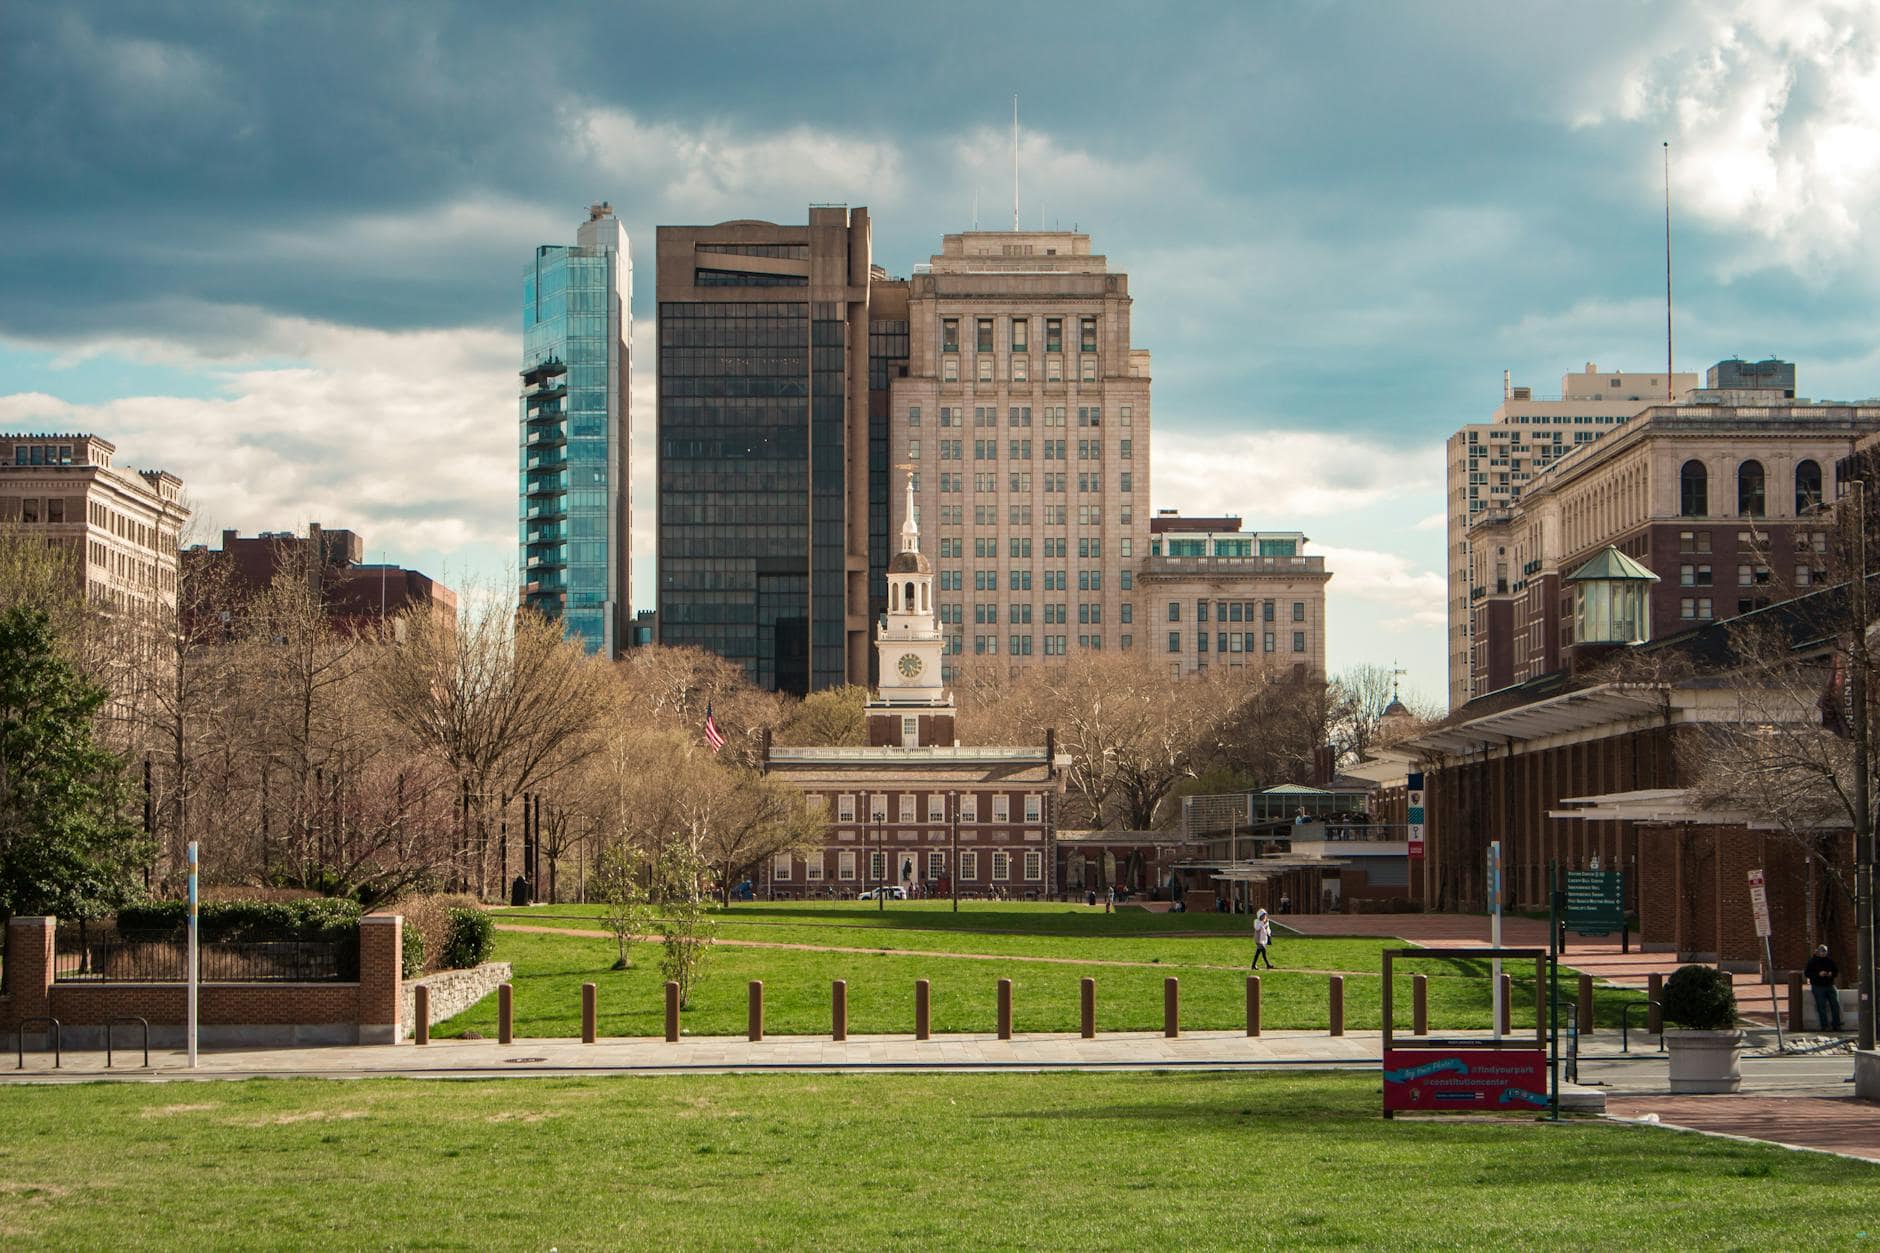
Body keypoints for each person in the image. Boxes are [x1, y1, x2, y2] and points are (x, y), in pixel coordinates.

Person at [1804, 944, 1844, 1031]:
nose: (1823, 953)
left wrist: (1831, 974)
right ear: (1818, 951)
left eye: (1825, 951)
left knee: (1835, 1005)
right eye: (1822, 951)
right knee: (1821, 1006)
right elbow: (1807, 973)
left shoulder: (1830, 961)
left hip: (1830, 985)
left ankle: (1836, 1024)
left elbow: (1836, 971)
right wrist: (1818, 974)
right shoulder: (1812, 961)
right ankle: (1824, 1026)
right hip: (1818, 986)